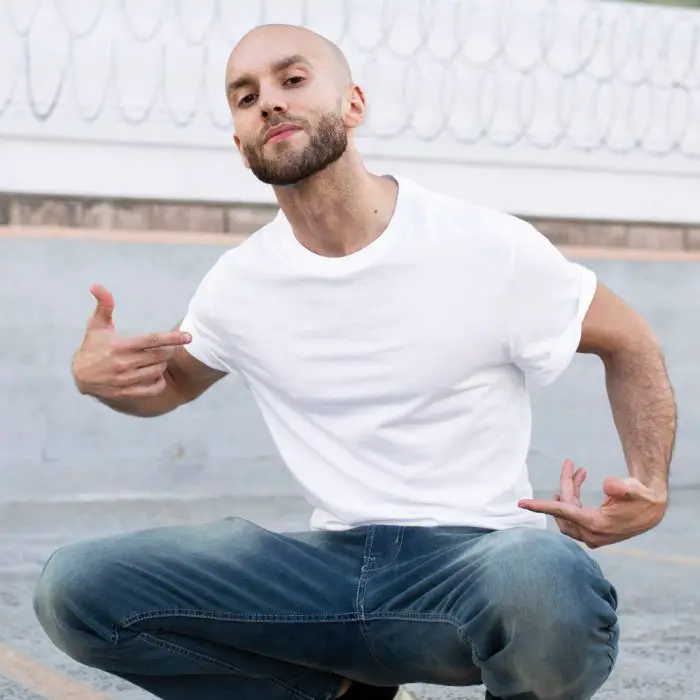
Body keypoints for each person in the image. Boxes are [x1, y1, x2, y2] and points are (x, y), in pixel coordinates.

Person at [32, 23, 676, 700]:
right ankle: (336, 695)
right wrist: (97, 379)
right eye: (245, 96)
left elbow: (628, 337)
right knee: (73, 589)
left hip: (475, 565)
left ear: (354, 105)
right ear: (240, 143)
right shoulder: (240, 283)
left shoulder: (484, 245)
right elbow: (167, 383)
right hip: (327, 576)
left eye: (293, 79)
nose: (270, 102)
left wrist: (650, 484)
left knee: (549, 578)